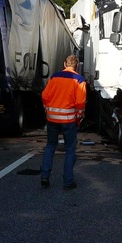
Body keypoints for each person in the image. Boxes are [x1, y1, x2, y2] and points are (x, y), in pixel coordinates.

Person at [40, 55, 87, 190]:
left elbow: (44, 95)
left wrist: (48, 108)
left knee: (50, 146)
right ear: (76, 66)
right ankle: (68, 181)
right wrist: (79, 116)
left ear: (64, 64)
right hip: (69, 120)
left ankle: (44, 176)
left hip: (52, 118)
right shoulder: (79, 80)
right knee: (70, 149)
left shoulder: (55, 77)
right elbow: (80, 102)